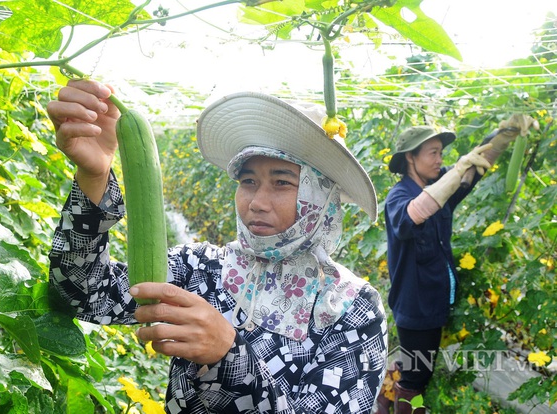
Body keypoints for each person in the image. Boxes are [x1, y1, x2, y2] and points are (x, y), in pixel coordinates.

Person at [46, 79, 388, 413]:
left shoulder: (351, 308)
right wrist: (94, 177)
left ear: (321, 195)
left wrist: (229, 354)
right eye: (248, 181)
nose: (256, 202)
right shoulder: (203, 268)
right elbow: (83, 294)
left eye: (283, 182)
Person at [379, 116, 537, 414]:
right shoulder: (398, 197)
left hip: (433, 301)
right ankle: (401, 408)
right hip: (416, 306)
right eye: (433, 153)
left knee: (411, 363)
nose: (440, 159)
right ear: (410, 158)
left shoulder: (442, 185)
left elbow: (474, 167)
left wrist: (503, 136)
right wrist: (454, 174)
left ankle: (382, 403)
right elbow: (415, 214)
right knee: (417, 377)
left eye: (442, 152)